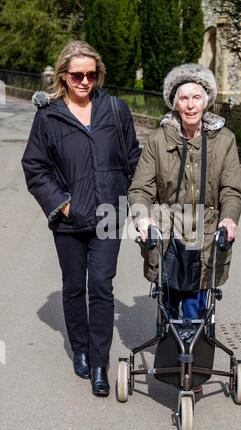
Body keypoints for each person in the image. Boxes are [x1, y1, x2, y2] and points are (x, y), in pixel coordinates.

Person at [22, 41, 141, 397]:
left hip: (109, 215)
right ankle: (82, 350)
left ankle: (100, 364)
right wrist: (63, 205)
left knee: (101, 287)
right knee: (74, 287)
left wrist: (142, 202)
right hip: (69, 221)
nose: (85, 81)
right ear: (64, 76)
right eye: (77, 75)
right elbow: (35, 167)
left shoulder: (116, 110)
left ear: (98, 74)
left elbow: (133, 157)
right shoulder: (49, 116)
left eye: (91, 74)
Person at [128, 62, 241, 332]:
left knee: (195, 309)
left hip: (205, 234)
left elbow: (232, 189)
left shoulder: (224, 140)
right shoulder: (158, 141)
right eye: (184, 98)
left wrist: (228, 219)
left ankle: (193, 365)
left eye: (196, 98)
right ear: (175, 103)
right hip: (168, 233)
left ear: (206, 102)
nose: (191, 105)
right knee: (167, 304)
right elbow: (140, 189)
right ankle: (169, 356)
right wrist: (143, 219)